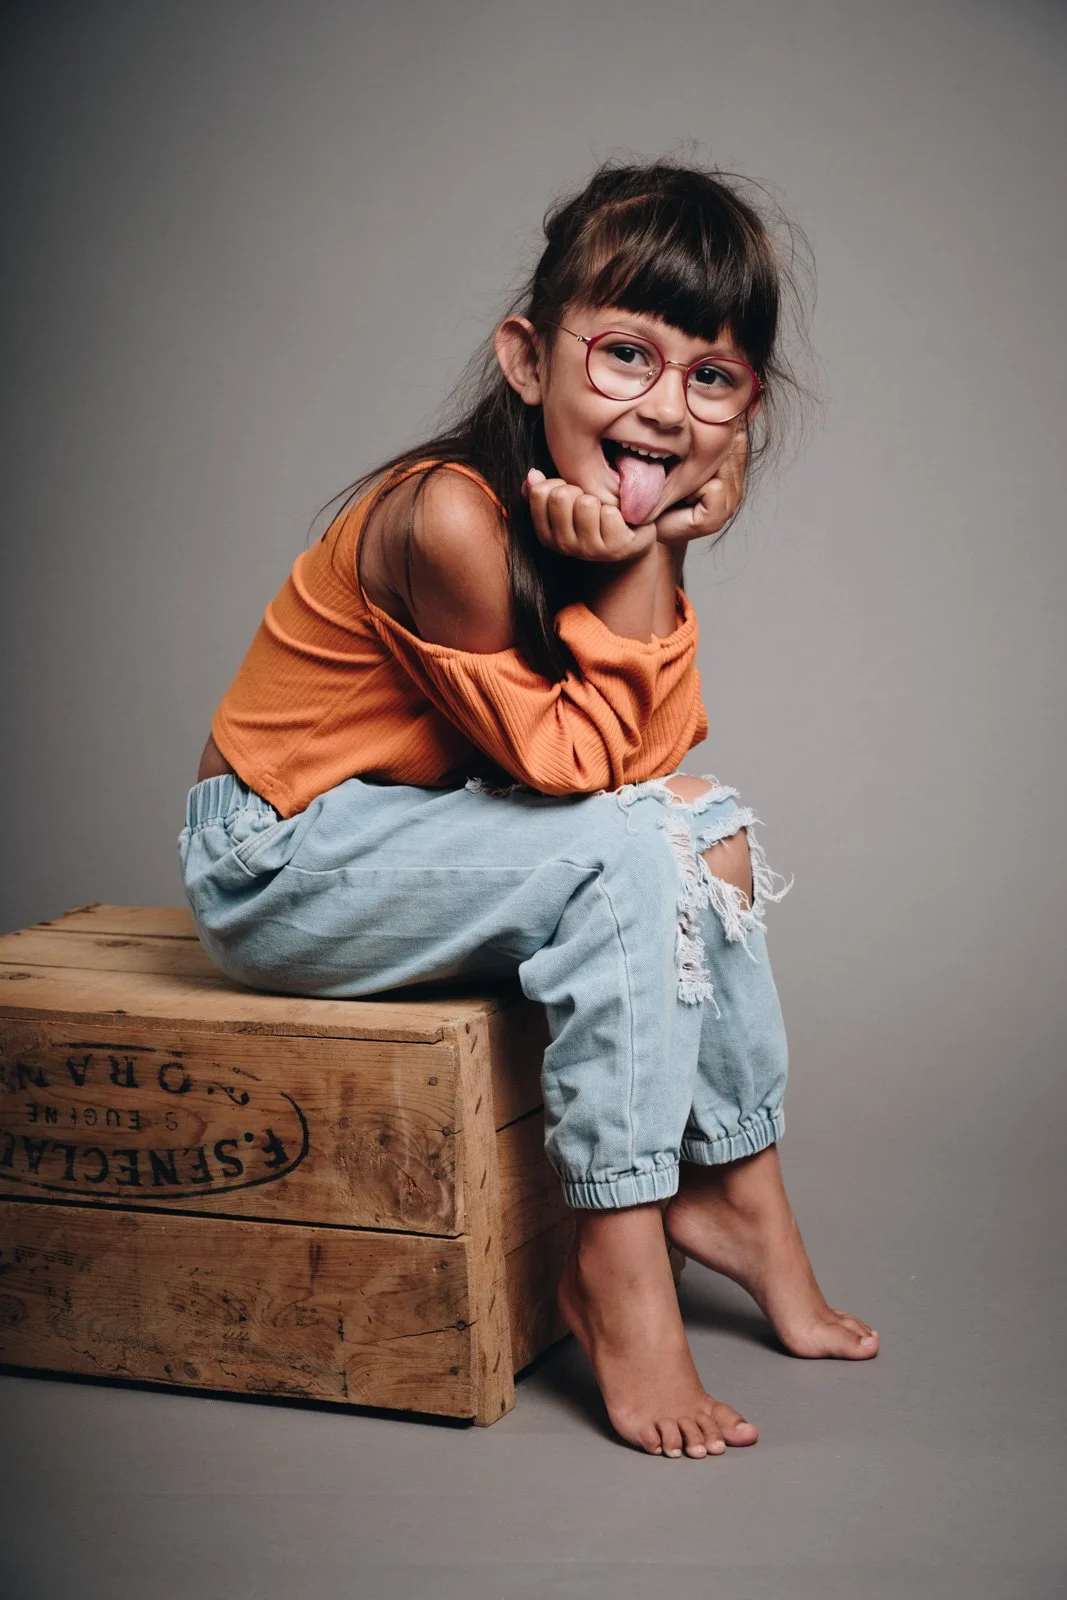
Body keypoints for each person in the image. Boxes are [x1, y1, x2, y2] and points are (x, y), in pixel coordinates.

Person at [180, 157, 879, 1461]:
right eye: (626, 355)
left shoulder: (587, 513)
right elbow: (583, 779)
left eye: (711, 377)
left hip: (414, 846)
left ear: (747, 408)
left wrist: (650, 546)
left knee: (710, 828)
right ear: (525, 357)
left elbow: (649, 761)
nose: (664, 407)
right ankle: (616, 1261)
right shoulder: (447, 518)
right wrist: (658, 551)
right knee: (636, 843)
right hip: (279, 861)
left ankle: (739, 1195)